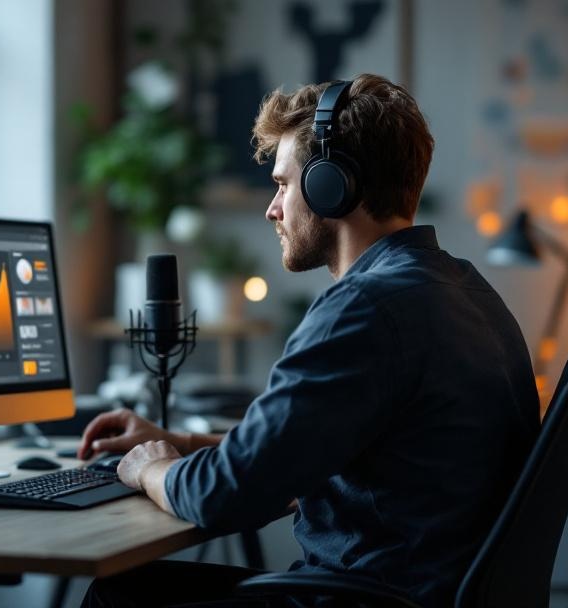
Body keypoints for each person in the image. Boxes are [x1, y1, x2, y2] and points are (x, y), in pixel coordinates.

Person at [80, 74, 540, 608]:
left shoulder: (365, 310)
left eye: (283, 184)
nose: (273, 209)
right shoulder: (464, 290)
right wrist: (181, 445)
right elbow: (303, 457)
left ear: (332, 185)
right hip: (413, 592)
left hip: (360, 599)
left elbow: (224, 497)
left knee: (116, 598)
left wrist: (149, 469)